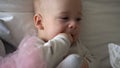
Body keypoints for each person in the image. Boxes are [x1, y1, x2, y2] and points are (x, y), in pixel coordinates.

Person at [0, 0, 89, 68]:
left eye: (78, 19)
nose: (74, 24)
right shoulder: (34, 45)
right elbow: (32, 63)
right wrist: (62, 41)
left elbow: (93, 60)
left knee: (75, 60)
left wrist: (87, 64)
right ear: (40, 22)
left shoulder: (78, 46)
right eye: (64, 18)